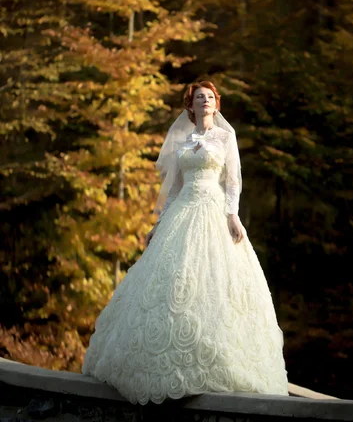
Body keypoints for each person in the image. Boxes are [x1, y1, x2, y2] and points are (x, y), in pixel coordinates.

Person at [82, 80, 288, 404]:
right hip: (182, 212)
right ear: (190, 106)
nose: (204, 101)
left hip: (213, 211)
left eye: (209, 97)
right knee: (171, 282)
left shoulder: (226, 137)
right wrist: (158, 223)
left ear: (216, 105)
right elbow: (175, 187)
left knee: (214, 282)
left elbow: (232, 181)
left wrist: (233, 216)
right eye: (198, 98)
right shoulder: (183, 138)